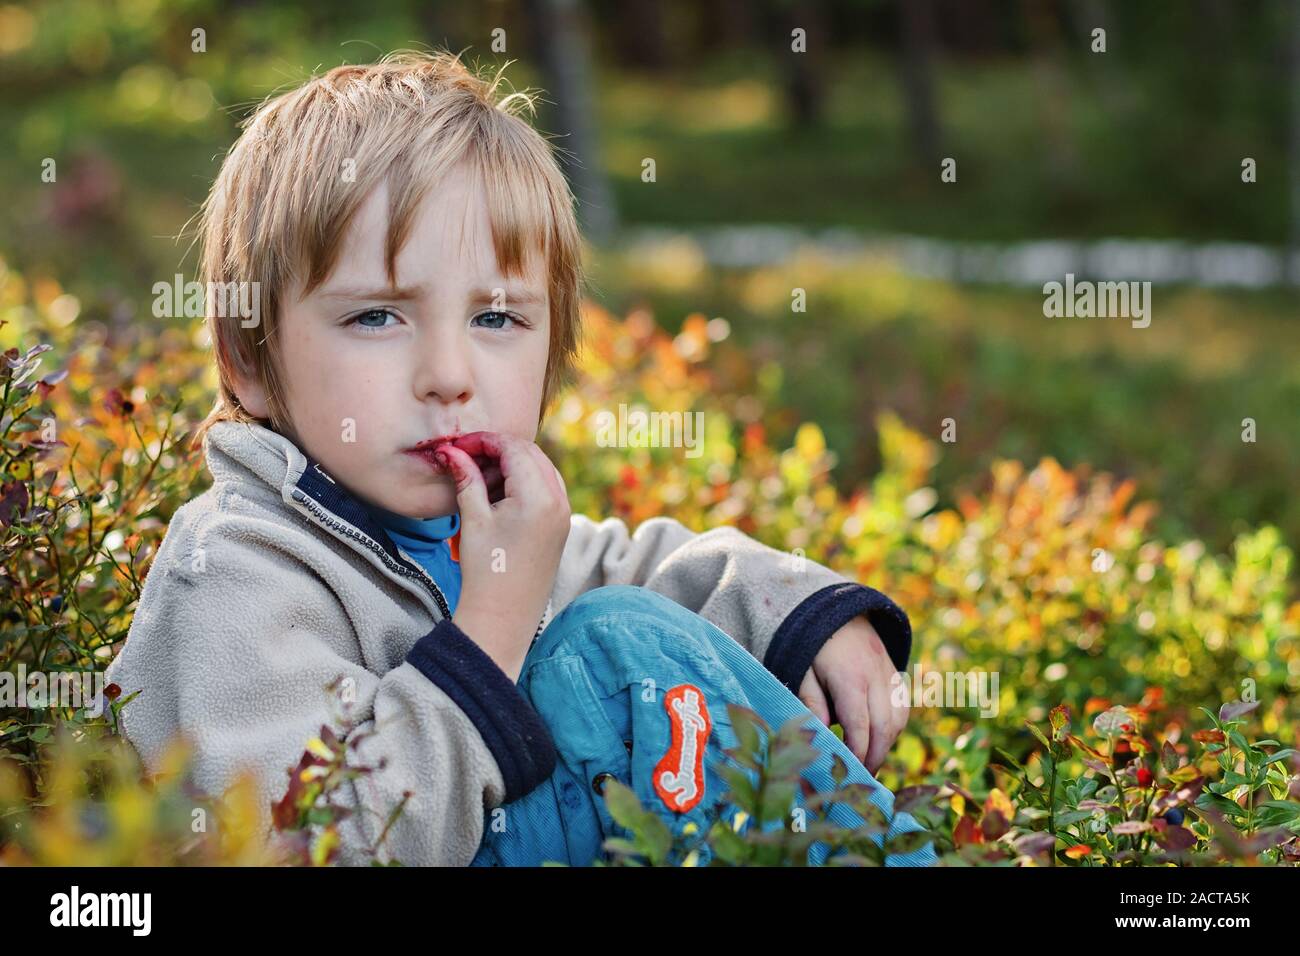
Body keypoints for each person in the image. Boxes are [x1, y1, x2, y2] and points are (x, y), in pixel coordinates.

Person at [105, 50, 932, 866]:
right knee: (613, 648)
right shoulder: (236, 572)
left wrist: (807, 617)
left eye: (497, 320)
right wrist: (492, 629)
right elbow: (310, 843)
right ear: (249, 357)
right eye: (376, 318)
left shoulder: (475, 526)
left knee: (617, 622)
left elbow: (638, 564)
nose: (448, 376)